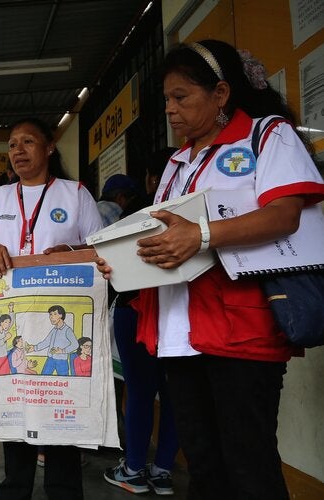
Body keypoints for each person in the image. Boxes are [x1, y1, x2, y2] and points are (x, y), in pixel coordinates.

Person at [96, 40, 324, 499]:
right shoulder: (180, 161)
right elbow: (167, 236)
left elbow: (284, 214)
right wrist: (122, 263)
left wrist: (200, 235)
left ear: (220, 94)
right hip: (180, 333)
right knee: (202, 463)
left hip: (242, 327)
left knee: (248, 461)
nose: (171, 110)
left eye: (182, 97)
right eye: (166, 100)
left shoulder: (267, 135)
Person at [0, 117, 104, 500]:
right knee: (17, 406)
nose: (18, 150)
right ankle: (14, 491)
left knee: (59, 408)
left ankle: (64, 491)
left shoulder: (74, 193)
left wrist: (73, 253)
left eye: (28, 142)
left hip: (57, 312)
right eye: (12, 144)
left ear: (49, 149)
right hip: (13, 321)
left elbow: (100, 250)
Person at [103, 148, 179, 496]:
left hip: (136, 309)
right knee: (175, 393)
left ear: (152, 178)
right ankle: (162, 470)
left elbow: (114, 265)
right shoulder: (196, 213)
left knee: (139, 392)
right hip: (182, 311)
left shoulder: (138, 212)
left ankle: (133, 468)